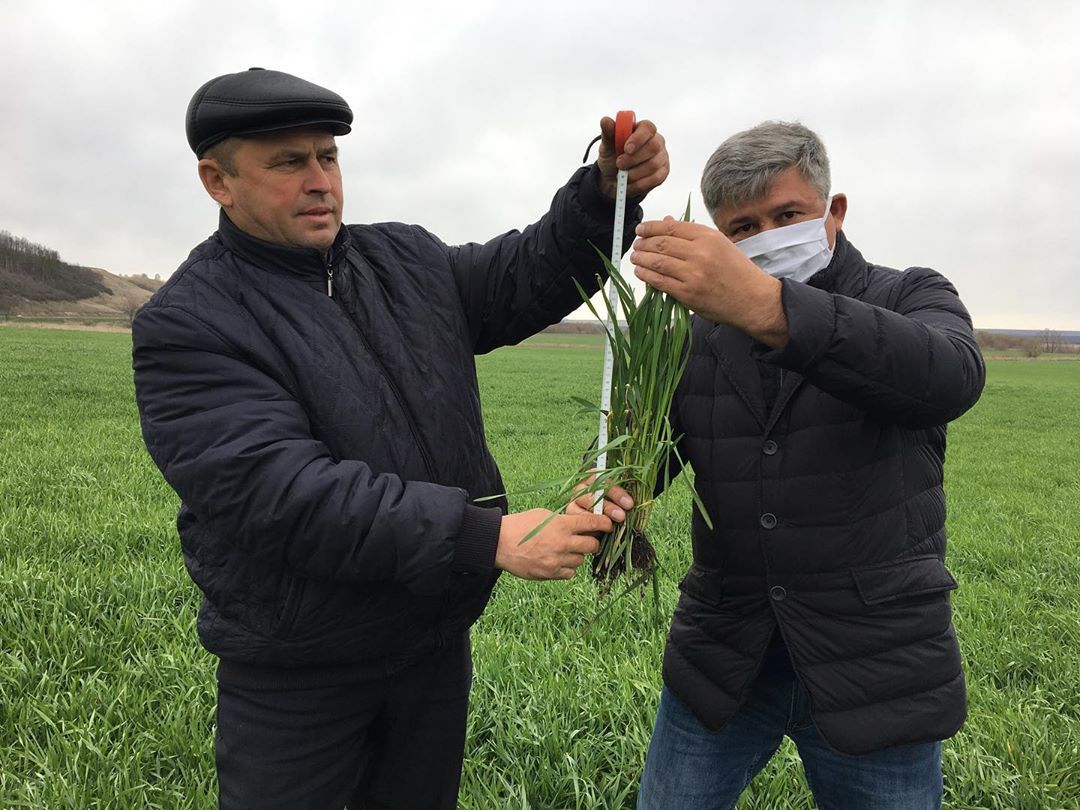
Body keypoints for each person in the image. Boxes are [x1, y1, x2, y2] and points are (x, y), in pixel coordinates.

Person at [132, 67, 669, 808]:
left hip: (430, 653)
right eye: (289, 162)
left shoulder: (408, 262)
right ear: (217, 181)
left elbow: (524, 274)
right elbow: (283, 495)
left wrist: (606, 194)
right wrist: (486, 538)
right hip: (298, 674)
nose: (320, 181)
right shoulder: (189, 324)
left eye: (328, 156)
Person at [578, 120, 984, 808]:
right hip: (724, 661)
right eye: (740, 228)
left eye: (787, 215)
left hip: (877, 667)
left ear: (835, 212)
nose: (765, 238)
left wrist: (771, 308)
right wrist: (611, 483)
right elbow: (646, 449)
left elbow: (950, 378)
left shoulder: (907, 295)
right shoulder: (694, 334)